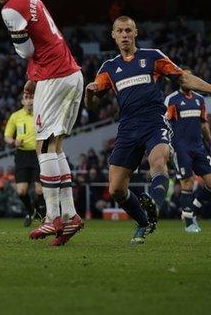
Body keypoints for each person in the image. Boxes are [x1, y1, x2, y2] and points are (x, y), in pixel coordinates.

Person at [84, 15, 211, 244]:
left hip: (154, 122)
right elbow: (92, 106)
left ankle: (154, 202)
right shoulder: (109, 68)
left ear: (136, 33)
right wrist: (89, 93)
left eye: (128, 30)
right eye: (120, 31)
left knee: (159, 162)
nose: (124, 35)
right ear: (113, 35)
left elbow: (183, 78)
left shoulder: (152, 57)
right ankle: (144, 221)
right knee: (116, 189)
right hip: (127, 129)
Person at [0, 0, 84, 246]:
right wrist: (33, 77)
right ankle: (71, 216)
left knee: (43, 146)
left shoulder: (10, 10)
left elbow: (26, 50)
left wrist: (34, 72)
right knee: (56, 146)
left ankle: (52, 217)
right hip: (71, 74)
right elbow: (42, 44)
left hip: (55, 78)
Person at [165, 68, 211, 233]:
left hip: (198, 147)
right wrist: (168, 146)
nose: (188, 79)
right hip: (181, 148)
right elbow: (165, 123)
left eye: (191, 76)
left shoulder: (199, 100)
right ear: (179, 80)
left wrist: (210, 142)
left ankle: (193, 207)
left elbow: (204, 124)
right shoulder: (172, 100)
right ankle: (189, 223)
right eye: (185, 77)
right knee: (187, 182)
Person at [4, 93, 45, 227]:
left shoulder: (41, 113)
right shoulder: (16, 116)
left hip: (38, 153)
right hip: (22, 155)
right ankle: (30, 211)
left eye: (32, 98)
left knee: (40, 190)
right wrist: (14, 141)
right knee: (21, 190)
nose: (29, 101)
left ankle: (41, 211)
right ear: (22, 101)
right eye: (26, 98)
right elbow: (7, 136)